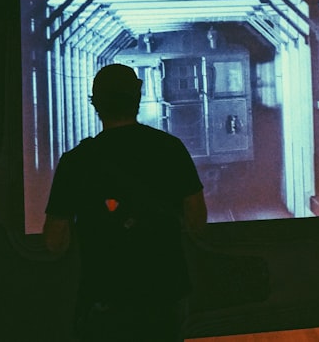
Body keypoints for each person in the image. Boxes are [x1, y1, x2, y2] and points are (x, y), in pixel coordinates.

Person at [43, 63, 207, 341]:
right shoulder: (171, 148)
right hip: (166, 291)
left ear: (96, 105)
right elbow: (196, 219)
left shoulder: (75, 162)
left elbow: (54, 240)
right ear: (137, 99)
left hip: (105, 296)